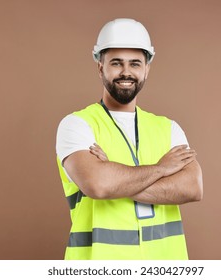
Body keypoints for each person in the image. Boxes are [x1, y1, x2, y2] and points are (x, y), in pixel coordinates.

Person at [56, 18, 203, 260]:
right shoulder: (77, 125)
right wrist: (162, 169)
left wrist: (116, 177)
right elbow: (99, 185)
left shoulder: (168, 128)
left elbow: (192, 187)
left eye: (135, 63)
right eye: (116, 63)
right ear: (100, 67)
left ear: (146, 69)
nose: (126, 72)